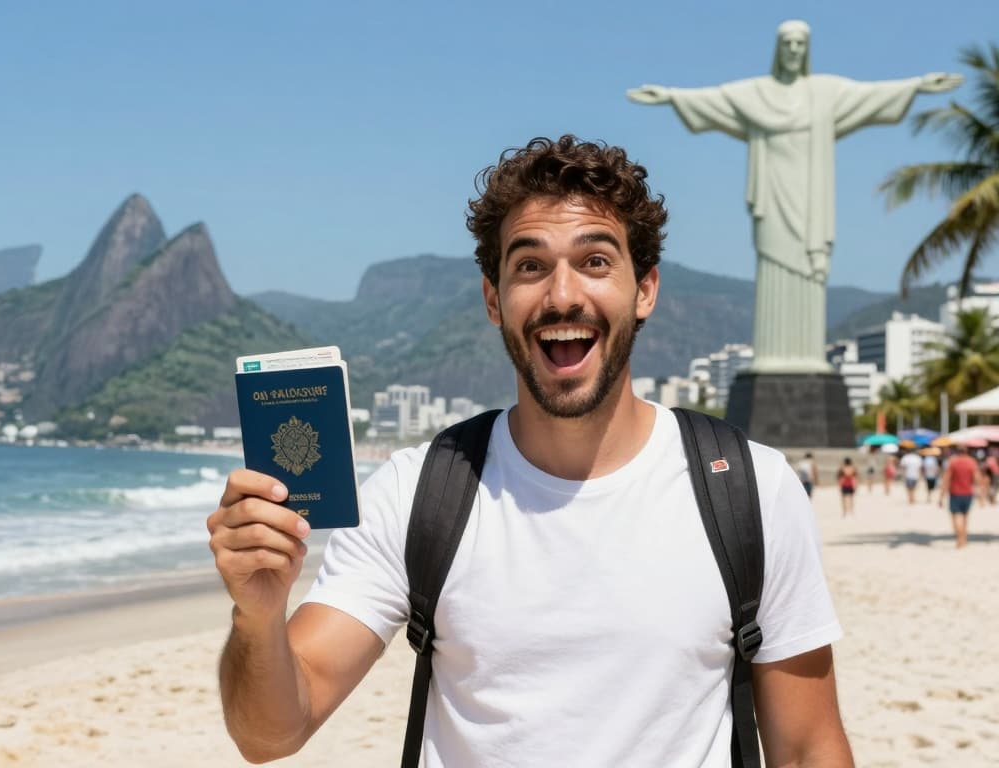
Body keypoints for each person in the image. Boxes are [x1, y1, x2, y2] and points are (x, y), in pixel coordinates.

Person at [208, 136, 852, 766]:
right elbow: (269, 736)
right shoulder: (416, 493)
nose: (563, 295)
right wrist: (259, 614)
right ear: (495, 299)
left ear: (645, 290)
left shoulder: (751, 489)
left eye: (596, 262)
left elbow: (807, 748)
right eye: (529, 265)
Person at [626, 20, 961, 370]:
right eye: (788, 43)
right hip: (772, 198)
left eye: (801, 44)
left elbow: (871, 95)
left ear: (807, 50)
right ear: (779, 49)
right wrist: (671, 96)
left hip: (810, 200)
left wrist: (918, 86)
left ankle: (807, 355)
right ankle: (773, 355)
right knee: (774, 266)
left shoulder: (825, 93)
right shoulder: (757, 94)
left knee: (809, 271)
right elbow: (716, 99)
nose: (794, 50)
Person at [940, 445, 979, 548]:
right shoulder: (972, 462)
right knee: (965, 516)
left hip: (955, 493)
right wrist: (981, 495)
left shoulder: (953, 462)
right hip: (968, 493)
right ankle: (964, 537)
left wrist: (941, 495)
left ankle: (959, 538)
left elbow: (946, 479)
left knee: (956, 516)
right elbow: (976, 479)